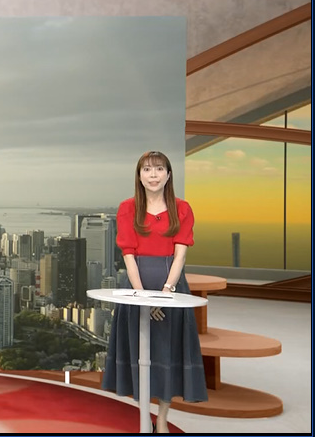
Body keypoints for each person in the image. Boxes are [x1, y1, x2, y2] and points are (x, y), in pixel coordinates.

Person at [101, 150, 208, 433]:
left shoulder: (182, 208)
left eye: (159, 169)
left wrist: (166, 293)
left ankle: (161, 418)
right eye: (147, 169)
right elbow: (128, 256)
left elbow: (180, 255)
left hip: (171, 286)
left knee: (167, 352)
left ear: (169, 175)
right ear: (139, 176)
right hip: (137, 286)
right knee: (140, 353)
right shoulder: (127, 208)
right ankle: (143, 415)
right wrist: (143, 298)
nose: (153, 175)